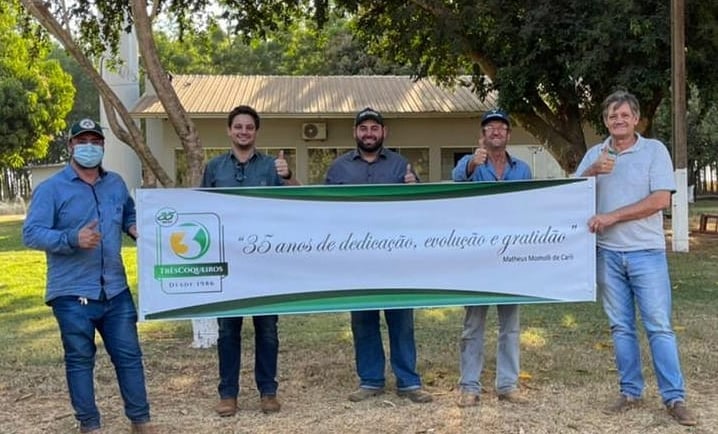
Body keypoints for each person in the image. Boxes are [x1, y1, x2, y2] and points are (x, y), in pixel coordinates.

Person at [22, 119, 156, 433]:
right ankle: (90, 425)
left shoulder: (116, 184)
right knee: (80, 360)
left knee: (129, 356)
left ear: (103, 146)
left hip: (115, 290)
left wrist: (132, 226)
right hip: (72, 293)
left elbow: (128, 212)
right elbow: (31, 233)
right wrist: (72, 238)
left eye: (95, 142)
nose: (89, 147)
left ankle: (141, 421)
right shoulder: (51, 189)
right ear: (70, 145)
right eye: (82, 141)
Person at [575, 90, 697, 426]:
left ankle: (674, 398)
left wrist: (612, 217)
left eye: (625, 115)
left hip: (647, 253)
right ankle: (630, 392)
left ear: (636, 119)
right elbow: (571, 195)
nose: (619, 121)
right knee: (621, 327)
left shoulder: (654, 150)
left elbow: (660, 200)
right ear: (605, 121)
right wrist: (592, 172)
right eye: (612, 116)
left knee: (659, 326)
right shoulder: (594, 154)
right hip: (608, 254)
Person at [324, 107, 432, 404]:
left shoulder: (401, 165)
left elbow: (418, 209)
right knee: (363, 321)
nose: (369, 133)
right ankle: (371, 380)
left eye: (374, 128)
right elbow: (325, 211)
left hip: (396, 260)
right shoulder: (338, 169)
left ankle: (408, 382)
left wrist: (414, 188)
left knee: (401, 321)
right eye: (364, 128)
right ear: (355, 133)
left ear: (384, 132)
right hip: (355, 260)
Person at [202, 105, 299, 417]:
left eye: (249, 127)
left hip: (265, 264)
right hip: (228, 264)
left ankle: (268, 392)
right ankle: (228, 394)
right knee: (228, 331)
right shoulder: (214, 168)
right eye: (238, 127)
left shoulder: (272, 166)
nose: (243, 132)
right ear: (229, 131)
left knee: (267, 330)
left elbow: (299, 201)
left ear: (256, 132)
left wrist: (289, 176)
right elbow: (201, 209)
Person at [451, 108, 532, 407]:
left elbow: (531, 205)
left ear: (508, 135)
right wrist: (473, 163)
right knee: (473, 324)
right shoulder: (470, 163)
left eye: (501, 127)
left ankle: (507, 385)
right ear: (482, 135)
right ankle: (469, 386)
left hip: (511, 255)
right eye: (490, 127)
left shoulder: (522, 169)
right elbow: (456, 181)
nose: (496, 131)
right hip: (477, 256)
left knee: (510, 324)